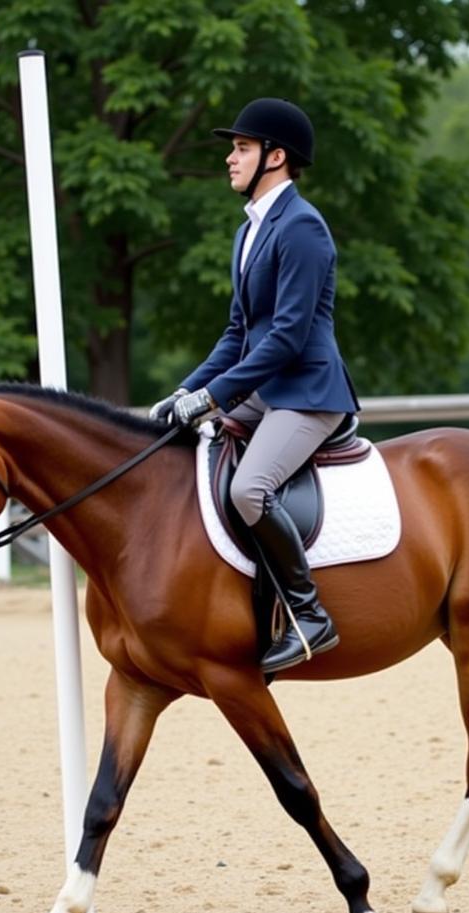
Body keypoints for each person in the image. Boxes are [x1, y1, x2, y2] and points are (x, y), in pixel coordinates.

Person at [149, 97, 359, 674]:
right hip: (267, 390)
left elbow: (288, 338)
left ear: (276, 156)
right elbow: (238, 333)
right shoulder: (249, 234)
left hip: (308, 393)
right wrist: (183, 392)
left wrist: (214, 398)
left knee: (249, 490)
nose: (229, 158)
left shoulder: (303, 228)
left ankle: (309, 614)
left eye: (241, 148)